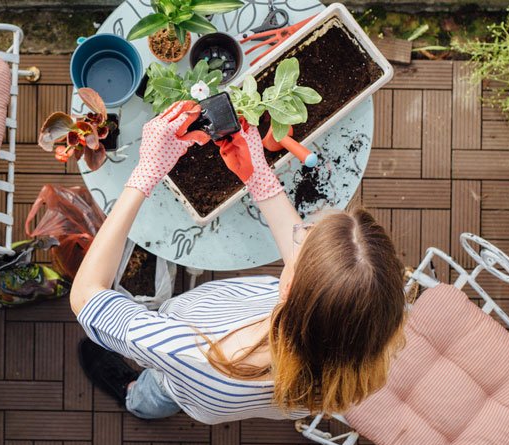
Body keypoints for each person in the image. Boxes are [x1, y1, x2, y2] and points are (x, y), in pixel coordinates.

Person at [70, 100, 407, 424]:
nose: (297, 234)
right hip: (250, 390)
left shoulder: (194, 353)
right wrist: (258, 175)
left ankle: (134, 398)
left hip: (187, 381)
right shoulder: (362, 329)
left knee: (157, 391)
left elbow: (86, 297)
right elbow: (319, 274)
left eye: (301, 240)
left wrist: (145, 173)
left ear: (290, 287)